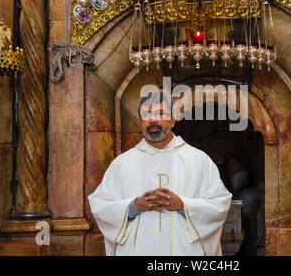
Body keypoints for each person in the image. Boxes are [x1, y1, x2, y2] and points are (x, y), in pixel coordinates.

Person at [88, 90, 232, 256]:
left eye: (160, 113)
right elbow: (100, 206)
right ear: (139, 123)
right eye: (147, 115)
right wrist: (134, 206)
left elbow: (220, 204)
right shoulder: (122, 164)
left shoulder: (198, 160)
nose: (153, 120)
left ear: (172, 120)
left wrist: (182, 205)